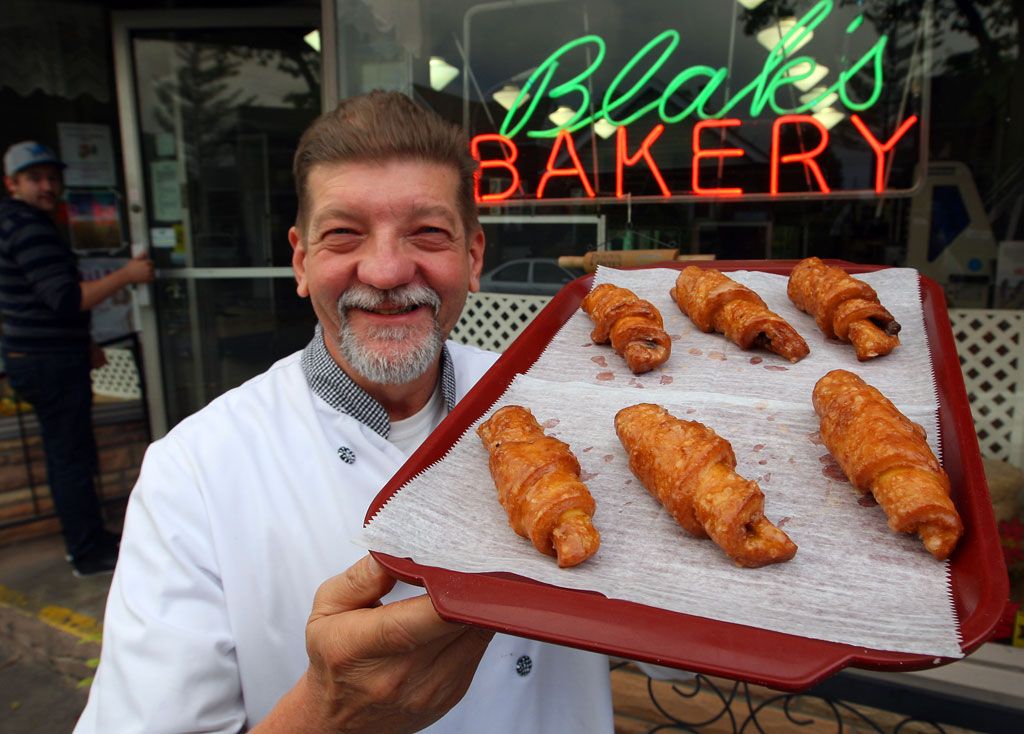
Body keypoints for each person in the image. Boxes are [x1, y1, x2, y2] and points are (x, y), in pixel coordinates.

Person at [74, 92, 614, 732]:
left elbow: (680, 634)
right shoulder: (192, 473)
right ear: (302, 261)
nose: (386, 270)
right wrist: (325, 716)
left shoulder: (557, 404)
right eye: (344, 234)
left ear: (472, 258)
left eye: (427, 233)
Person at [1, 141, 155, 578]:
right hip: (47, 361)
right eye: (35, 178)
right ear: (13, 184)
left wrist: (81, 345)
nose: (47, 186)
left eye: (51, 177)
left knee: (68, 452)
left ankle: (90, 537)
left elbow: (41, 301)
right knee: (68, 456)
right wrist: (127, 275)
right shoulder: (28, 227)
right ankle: (86, 551)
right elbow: (65, 298)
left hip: (44, 354)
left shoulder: (21, 222)